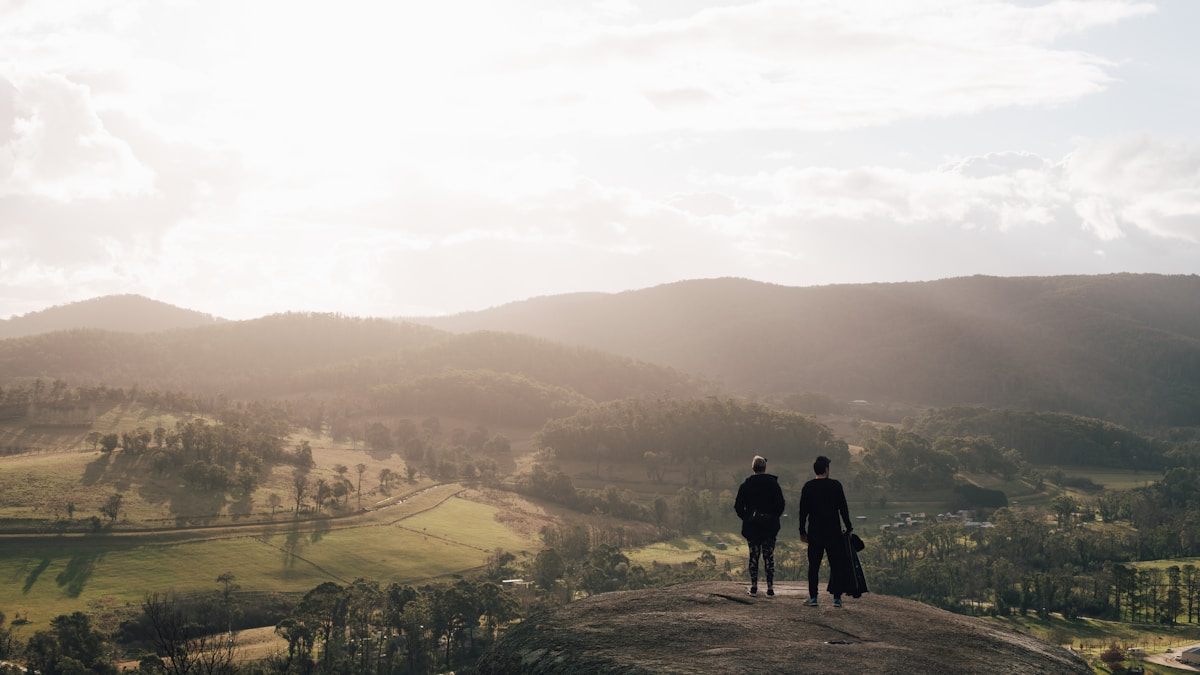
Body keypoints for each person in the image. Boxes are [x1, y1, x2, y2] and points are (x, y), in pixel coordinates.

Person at [797, 454, 853, 607]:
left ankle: (813, 597)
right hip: (833, 532)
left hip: (815, 532)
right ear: (827, 469)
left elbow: (803, 512)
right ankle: (837, 598)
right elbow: (843, 509)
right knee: (836, 564)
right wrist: (849, 527)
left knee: (813, 566)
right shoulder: (836, 486)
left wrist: (802, 531)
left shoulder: (808, 487)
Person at [734, 455, 785, 597]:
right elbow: (780, 505)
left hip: (752, 527)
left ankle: (754, 587)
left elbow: (738, 506)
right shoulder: (773, 484)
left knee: (754, 557)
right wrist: (772, 518)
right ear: (765, 468)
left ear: (753, 468)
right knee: (769, 557)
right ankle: (770, 588)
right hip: (769, 528)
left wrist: (747, 518)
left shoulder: (746, 485)